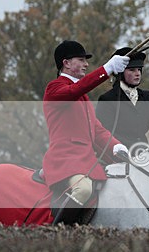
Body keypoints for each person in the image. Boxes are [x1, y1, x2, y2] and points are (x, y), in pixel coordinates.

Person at [42, 40, 130, 224]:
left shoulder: (82, 96)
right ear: (66, 63)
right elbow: (75, 89)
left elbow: (97, 130)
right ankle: (57, 232)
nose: (86, 64)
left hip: (86, 160)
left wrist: (117, 147)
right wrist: (106, 69)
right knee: (83, 189)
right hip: (66, 160)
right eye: (81, 60)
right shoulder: (55, 88)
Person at [96, 47, 149, 151]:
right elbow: (105, 133)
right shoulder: (107, 99)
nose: (138, 73)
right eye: (132, 70)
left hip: (144, 152)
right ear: (120, 73)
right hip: (118, 155)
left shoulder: (146, 96)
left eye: (139, 69)